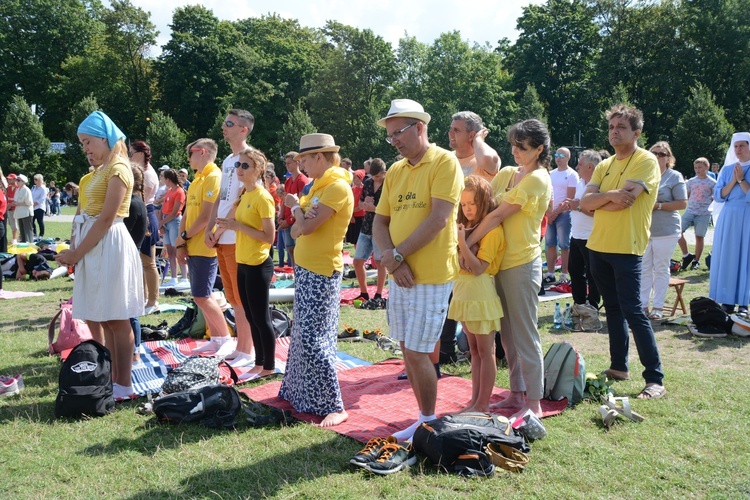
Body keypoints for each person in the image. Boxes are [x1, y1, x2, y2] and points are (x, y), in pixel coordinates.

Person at [373, 99, 463, 439]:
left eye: (398, 132)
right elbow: (380, 221)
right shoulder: (396, 170)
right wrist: (391, 257)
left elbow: (439, 219)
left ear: (420, 127)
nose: (393, 140)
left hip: (432, 273)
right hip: (401, 273)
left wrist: (396, 256)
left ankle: (427, 420)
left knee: (418, 350)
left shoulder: (444, 162)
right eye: (389, 136)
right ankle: (422, 418)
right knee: (407, 348)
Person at [466, 118, 552, 418]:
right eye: (514, 144)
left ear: (539, 149)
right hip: (498, 263)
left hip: (522, 264)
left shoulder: (538, 179)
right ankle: (516, 394)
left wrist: (467, 241)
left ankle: (534, 404)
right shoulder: (507, 173)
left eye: (522, 147)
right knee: (507, 335)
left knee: (525, 334)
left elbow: (496, 216)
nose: (515, 151)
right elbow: (481, 201)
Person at [55, 110, 144, 401]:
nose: (85, 148)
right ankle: (114, 379)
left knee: (117, 318)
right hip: (94, 246)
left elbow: (107, 218)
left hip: (109, 245)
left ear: (105, 139)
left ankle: (124, 383)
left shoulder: (119, 168)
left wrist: (77, 252)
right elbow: (83, 215)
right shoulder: (96, 173)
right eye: (82, 143)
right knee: (105, 317)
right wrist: (74, 250)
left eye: (88, 141)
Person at [581, 104, 666, 400]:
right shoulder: (604, 165)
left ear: (636, 133)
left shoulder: (646, 160)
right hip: (598, 247)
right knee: (613, 309)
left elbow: (624, 201)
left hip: (627, 247)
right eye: (611, 127)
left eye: (621, 127)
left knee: (632, 311)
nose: (614, 131)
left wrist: (600, 199)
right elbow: (585, 203)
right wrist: (608, 197)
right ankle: (619, 367)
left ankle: (654, 378)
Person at [278, 133, 354, 427]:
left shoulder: (334, 187)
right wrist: (299, 217)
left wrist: (296, 208)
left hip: (322, 270)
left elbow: (305, 228)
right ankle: (299, 393)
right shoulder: (318, 187)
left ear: (320, 157)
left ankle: (334, 405)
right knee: (301, 337)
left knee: (314, 340)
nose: (302, 165)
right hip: (309, 268)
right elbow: (299, 230)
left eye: (305, 159)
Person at [203, 109, 258, 358]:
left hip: (238, 237)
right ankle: (240, 347)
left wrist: (222, 227)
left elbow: (246, 197)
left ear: (243, 129)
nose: (223, 127)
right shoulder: (226, 161)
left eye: (229, 123)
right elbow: (220, 198)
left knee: (242, 299)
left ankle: (247, 350)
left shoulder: (251, 158)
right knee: (232, 297)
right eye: (224, 122)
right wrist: (209, 228)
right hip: (222, 236)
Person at [216, 149, 276, 372]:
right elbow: (230, 219)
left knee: (261, 318)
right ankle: (258, 363)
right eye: (238, 166)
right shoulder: (244, 193)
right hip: (243, 261)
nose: (239, 170)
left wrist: (238, 227)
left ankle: (268, 366)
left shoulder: (263, 196)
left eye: (245, 166)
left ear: (258, 170)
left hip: (258, 264)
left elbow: (269, 237)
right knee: (250, 316)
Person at [448, 175, 504, 413]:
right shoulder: (466, 228)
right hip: (464, 291)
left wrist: (462, 242)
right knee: (473, 351)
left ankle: (483, 403)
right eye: (463, 204)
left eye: (472, 203)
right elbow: (459, 264)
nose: (467, 208)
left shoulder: (493, 231)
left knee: (485, 350)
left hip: (480, 294)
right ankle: (474, 401)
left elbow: (478, 268)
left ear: (484, 202)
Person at [174, 139, 234, 355]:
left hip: (205, 246)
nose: (188, 157)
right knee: (200, 295)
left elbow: (206, 216)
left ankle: (224, 337)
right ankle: (218, 338)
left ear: (203, 152)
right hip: (193, 244)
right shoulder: (198, 179)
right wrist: (182, 240)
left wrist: (184, 237)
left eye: (190, 152)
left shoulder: (213, 177)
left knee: (203, 295)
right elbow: (188, 214)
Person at [640, 142, 687, 320]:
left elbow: (682, 203)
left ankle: (658, 307)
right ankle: (643, 305)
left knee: (661, 267)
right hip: (644, 229)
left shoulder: (674, 176)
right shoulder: (644, 174)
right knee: (644, 268)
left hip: (667, 229)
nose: (658, 156)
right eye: (654, 153)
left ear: (668, 158)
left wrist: (658, 206)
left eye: (662, 154)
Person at [560, 149, 603, 330]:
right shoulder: (580, 181)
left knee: (593, 274)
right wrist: (572, 205)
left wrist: (577, 207)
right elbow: (580, 204)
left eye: (579, 164)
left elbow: (596, 212)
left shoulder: (599, 185)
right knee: (575, 270)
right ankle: (579, 304)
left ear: (590, 166)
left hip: (592, 236)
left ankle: (592, 306)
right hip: (576, 234)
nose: (576, 166)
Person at [709, 132, 750, 315]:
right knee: (728, 257)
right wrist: (734, 178)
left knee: (745, 258)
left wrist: (741, 180)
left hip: (747, 215)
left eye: (742, 145)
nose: (738, 150)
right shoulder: (727, 170)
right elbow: (719, 195)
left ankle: (744, 303)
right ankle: (727, 301)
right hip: (729, 216)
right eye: (736, 146)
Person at [129, 141, 160, 314]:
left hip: (146, 214)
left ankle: (153, 300)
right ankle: (143, 297)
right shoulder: (144, 171)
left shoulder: (147, 174)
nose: (129, 156)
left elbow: (142, 196)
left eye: (132, 153)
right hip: (142, 212)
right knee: (141, 261)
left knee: (149, 262)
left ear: (140, 154)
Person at [352, 159, 387, 308]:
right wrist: (364, 203)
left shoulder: (389, 184)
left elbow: (391, 208)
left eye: (377, 177)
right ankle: (364, 292)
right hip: (366, 227)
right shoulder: (367, 183)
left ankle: (379, 294)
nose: (374, 179)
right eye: (372, 176)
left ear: (384, 173)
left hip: (381, 227)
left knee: (380, 262)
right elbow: (359, 204)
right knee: (357, 261)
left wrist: (374, 208)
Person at [543, 148, 578, 285]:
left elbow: (569, 198)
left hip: (563, 214)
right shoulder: (550, 174)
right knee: (550, 244)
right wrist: (548, 213)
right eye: (556, 155)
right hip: (550, 213)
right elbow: (545, 195)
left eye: (562, 155)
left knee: (564, 245)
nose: (558, 158)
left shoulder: (572, 175)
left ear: (568, 158)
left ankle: (564, 273)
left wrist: (555, 213)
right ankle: (550, 273)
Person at [124, 164, 148, 362]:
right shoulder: (135, 201)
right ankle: (133, 350)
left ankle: (134, 351)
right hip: (130, 258)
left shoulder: (132, 204)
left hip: (129, 260)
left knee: (129, 310)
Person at [677, 157, 716, 270]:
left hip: (703, 213)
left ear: (707, 167)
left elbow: (716, 197)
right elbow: (687, 195)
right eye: (695, 167)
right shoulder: (691, 181)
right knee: (677, 231)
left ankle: (696, 261)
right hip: (690, 211)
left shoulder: (713, 183)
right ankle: (687, 255)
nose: (697, 170)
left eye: (700, 167)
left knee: (699, 236)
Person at [449, 111, 501, 182]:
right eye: (451, 129)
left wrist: (478, 139)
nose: (450, 133)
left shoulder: (481, 160)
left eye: (456, 130)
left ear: (471, 136)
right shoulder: (446, 157)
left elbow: (488, 158)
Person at [158, 169, 187, 287]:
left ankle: (184, 277)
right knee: (170, 251)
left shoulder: (180, 192)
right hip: (166, 221)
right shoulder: (169, 191)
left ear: (168, 179)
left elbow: (175, 212)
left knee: (178, 249)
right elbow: (162, 207)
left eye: (164, 178)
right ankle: (174, 277)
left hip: (174, 222)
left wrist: (162, 222)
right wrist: (161, 222)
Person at [280, 151, 309, 267]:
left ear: (297, 163)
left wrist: (289, 220)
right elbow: (284, 200)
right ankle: (295, 273)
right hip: (287, 219)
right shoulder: (288, 181)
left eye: (289, 163)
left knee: (299, 250)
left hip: (296, 219)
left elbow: (302, 204)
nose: (287, 165)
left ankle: (300, 272)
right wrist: (281, 217)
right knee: (290, 249)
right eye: (286, 163)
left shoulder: (302, 180)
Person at [346, 169, 366, 248]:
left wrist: (354, 210)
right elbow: (348, 203)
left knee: (362, 238)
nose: (354, 180)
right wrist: (351, 216)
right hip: (354, 217)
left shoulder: (365, 189)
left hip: (362, 216)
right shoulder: (352, 189)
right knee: (355, 239)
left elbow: (363, 204)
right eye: (353, 178)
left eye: (355, 178)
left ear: (360, 178)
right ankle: (357, 255)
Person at [13, 175, 34, 243]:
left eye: (18, 180)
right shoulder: (18, 189)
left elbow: (30, 203)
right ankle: (23, 243)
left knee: (27, 230)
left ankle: (29, 243)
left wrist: (19, 204)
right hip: (20, 213)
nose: (17, 182)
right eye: (17, 180)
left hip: (26, 213)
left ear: (23, 182)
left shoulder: (26, 190)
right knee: (22, 231)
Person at [6, 173, 17, 244]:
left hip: (16, 209)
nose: (8, 180)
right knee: (11, 224)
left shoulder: (18, 188)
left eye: (10, 179)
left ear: (15, 179)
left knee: (15, 224)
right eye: (8, 179)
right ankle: (14, 238)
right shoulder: (8, 188)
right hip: (9, 208)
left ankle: (15, 238)